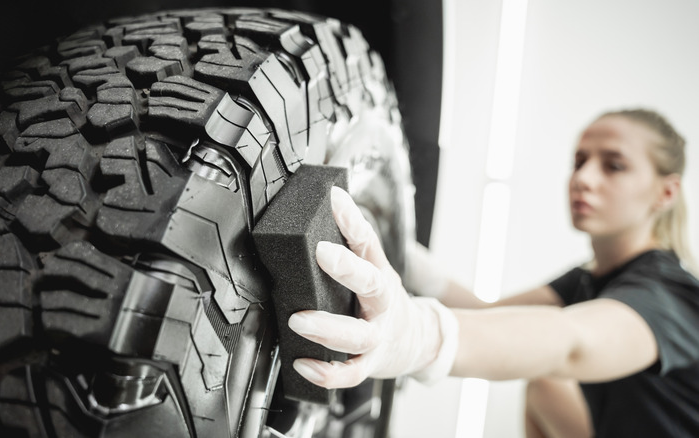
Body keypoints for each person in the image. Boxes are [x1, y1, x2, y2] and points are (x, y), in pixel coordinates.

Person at [287, 108, 699, 437]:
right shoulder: (591, 279)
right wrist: (405, 257)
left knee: (549, 379)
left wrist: (420, 337)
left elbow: (574, 341)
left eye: (614, 166)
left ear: (665, 192)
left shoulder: (670, 295)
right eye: (579, 161)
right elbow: (490, 315)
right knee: (546, 388)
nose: (583, 179)